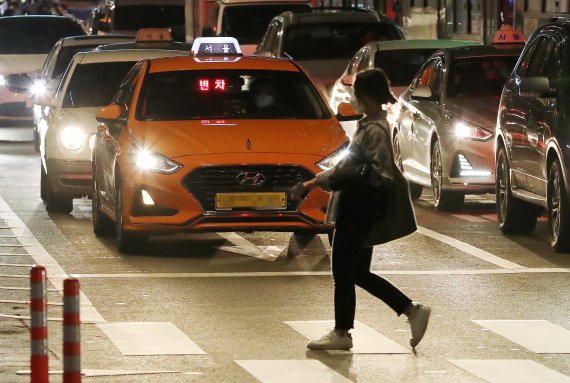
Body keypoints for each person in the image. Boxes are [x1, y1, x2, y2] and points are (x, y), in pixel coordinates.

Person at [290, 68, 431, 351]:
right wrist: (314, 182)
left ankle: (343, 333)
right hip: (361, 206)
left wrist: (317, 182)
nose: (352, 98)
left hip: (359, 208)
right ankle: (411, 310)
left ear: (364, 96)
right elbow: (350, 165)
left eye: (355, 93)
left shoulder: (375, 129)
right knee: (356, 272)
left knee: (343, 271)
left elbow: (373, 170)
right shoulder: (371, 125)